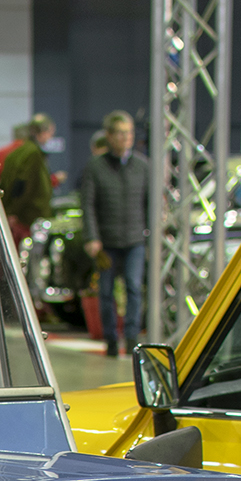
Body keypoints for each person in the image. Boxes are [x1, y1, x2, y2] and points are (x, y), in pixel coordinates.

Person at [78, 110, 150, 356]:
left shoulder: (142, 166)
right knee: (106, 293)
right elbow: (87, 204)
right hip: (106, 241)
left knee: (133, 287)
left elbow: (150, 203)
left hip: (134, 240)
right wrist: (92, 237)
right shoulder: (95, 167)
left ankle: (131, 338)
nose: (125, 138)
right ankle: (110, 339)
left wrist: (150, 237)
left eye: (128, 133)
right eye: (120, 133)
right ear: (108, 136)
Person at [0, 114, 55, 241]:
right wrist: (14, 212)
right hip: (28, 219)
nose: (50, 137)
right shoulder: (33, 153)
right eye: (51, 133)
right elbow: (24, 186)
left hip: (18, 215)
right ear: (43, 132)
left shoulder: (18, 152)